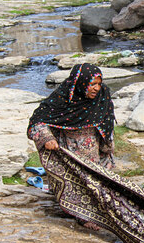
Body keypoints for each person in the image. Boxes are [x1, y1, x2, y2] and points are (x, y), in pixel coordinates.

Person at [27, 63, 116, 229]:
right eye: (92, 84)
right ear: (80, 83)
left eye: (99, 83)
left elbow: (107, 121)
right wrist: (47, 138)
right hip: (68, 154)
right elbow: (37, 122)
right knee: (76, 184)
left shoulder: (102, 96)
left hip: (94, 154)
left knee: (100, 186)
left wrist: (107, 146)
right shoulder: (62, 99)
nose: (97, 88)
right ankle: (83, 215)